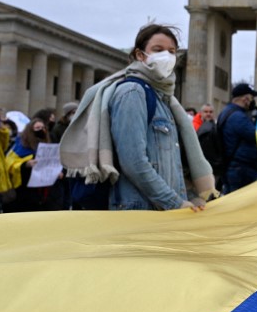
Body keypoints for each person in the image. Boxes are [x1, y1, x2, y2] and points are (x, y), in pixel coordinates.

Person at [61, 24, 215, 211]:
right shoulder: (133, 92)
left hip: (161, 209)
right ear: (140, 55)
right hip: (140, 209)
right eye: (158, 50)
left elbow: (173, 165)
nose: (166, 56)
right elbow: (133, 162)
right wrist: (175, 203)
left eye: (172, 51)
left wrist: (191, 197)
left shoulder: (164, 98)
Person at [4, 117, 63, 212]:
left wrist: (56, 172)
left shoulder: (49, 145)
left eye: (43, 127)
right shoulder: (20, 146)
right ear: (30, 131)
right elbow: (9, 163)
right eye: (37, 128)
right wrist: (25, 164)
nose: (41, 130)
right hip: (25, 192)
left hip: (45, 192)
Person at [218, 84, 257, 193]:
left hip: (233, 165)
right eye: (251, 98)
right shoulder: (238, 116)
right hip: (241, 168)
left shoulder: (226, 112)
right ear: (245, 99)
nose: (252, 102)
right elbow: (256, 135)